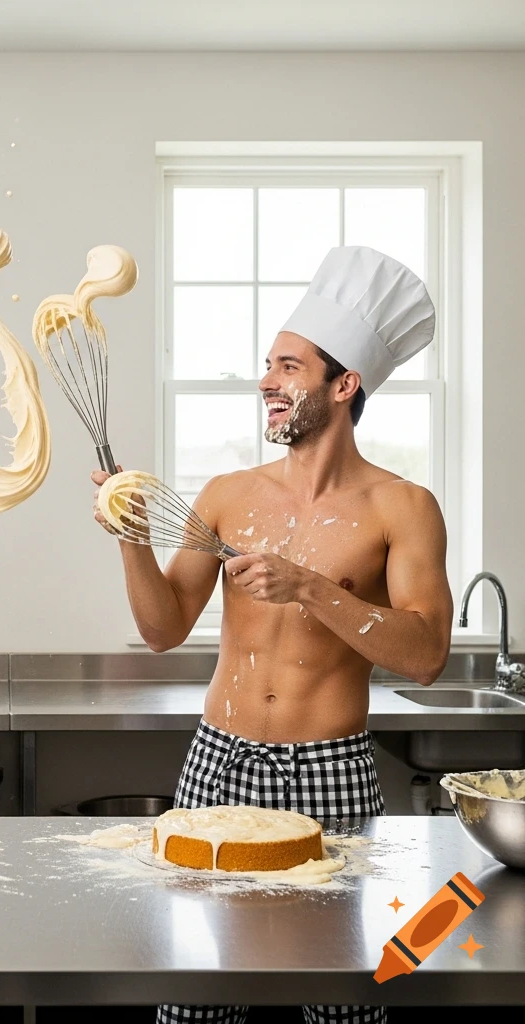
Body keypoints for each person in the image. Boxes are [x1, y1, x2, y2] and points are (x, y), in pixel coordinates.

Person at [93, 246, 453, 1024]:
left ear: (343, 383)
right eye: (268, 365)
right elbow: (162, 630)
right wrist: (129, 537)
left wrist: (309, 588)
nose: (267, 382)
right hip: (218, 761)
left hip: (331, 771)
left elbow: (426, 656)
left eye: (288, 367)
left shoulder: (403, 507)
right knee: (197, 991)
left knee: (340, 995)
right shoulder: (228, 495)